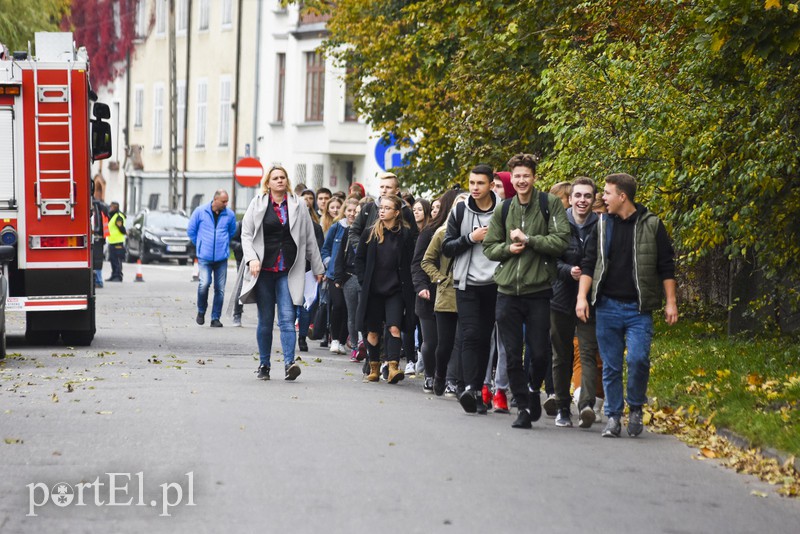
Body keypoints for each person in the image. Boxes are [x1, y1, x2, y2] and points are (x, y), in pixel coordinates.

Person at [576, 173, 678, 438]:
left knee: (638, 359)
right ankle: (612, 416)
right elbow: (589, 264)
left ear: (622, 196)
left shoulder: (652, 225)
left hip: (638, 309)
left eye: (607, 193)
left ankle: (634, 407)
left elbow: (666, 266)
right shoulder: (601, 226)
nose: (602, 198)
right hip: (607, 306)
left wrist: (671, 303)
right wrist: (581, 298)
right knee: (610, 366)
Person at [483, 153, 570, 429]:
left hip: (538, 290)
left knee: (540, 352)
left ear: (534, 177)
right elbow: (489, 247)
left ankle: (533, 389)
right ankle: (522, 406)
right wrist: (508, 249)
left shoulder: (550, 204)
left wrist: (529, 240)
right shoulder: (504, 208)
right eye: (517, 176)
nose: (521, 180)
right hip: (507, 290)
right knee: (511, 351)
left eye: (526, 175)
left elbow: (560, 242)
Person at [238, 165, 324, 381]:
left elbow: (309, 238)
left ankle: (289, 363)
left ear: (287, 180)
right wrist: (251, 259)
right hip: (264, 271)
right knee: (265, 320)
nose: (279, 181)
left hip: (288, 269)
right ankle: (264, 365)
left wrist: (317, 267)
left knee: (287, 318)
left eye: (283, 177)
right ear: (268, 182)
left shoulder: (298, 205)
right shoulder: (257, 204)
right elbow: (246, 234)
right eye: (275, 178)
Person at [442, 164, 501, 414]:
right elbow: (447, 247)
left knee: (485, 337)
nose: (475, 188)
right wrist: (471, 239)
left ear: (490, 185)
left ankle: (478, 389)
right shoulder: (459, 211)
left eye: (480, 183)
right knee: (470, 334)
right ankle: (468, 388)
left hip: (495, 283)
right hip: (466, 283)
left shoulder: (503, 210)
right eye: (472, 183)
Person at [549, 177, 600, 428]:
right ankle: (561, 407)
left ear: (593, 199)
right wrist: (568, 270)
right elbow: (549, 260)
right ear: (570, 199)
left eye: (587, 196)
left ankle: (586, 405)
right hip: (560, 296)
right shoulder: (558, 224)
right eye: (578, 196)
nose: (582, 200)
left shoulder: (601, 226)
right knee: (562, 354)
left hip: (590, 300)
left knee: (588, 352)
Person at [354, 194, 416, 384]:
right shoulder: (370, 232)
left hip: (395, 291)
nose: (382, 211)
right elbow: (360, 259)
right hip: (373, 291)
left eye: (387, 208)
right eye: (381, 208)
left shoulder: (405, 234)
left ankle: (393, 367)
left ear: (397, 212)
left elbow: (412, 260)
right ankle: (373, 367)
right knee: (372, 332)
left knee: (395, 328)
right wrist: (364, 280)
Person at [413, 189, 460, 393]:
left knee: (452, 341)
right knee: (431, 342)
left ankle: (450, 378)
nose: (434, 211)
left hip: (452, 293)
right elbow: (419, 263)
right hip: (428, 293)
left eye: (438, 208)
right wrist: (422, 286)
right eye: (433, 208)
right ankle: (430, 375)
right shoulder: (432, 232)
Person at [187, 189, 237, 327]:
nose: (226, 204)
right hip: (204, 256)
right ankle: (201, 311)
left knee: (220, 289)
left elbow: (232, 231)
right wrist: (201, 244)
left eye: (227, 201)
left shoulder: (230, 215)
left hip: (222, 258)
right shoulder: (200, 211)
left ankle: (215, 318)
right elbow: (191, 230)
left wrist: (224, 243)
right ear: (215, 200)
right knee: (204, 284)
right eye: (223, 201)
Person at [322, 196, 358, 355]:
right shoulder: (337, 227)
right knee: (337, 305)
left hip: (351, 275)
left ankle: (343, 340)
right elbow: (325, 249)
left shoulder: (360, 230)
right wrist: (329, 263)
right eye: (349, 210)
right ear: (345, 211)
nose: (352, 214)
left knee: (349, 309)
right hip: (333, 274)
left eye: (355, 211)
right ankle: (334, 339)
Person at [106, 201, 126, 282]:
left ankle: (118, 276)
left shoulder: (118, 216)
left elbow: (121, 228)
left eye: (111, 206)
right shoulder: (113, 216)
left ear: (115, 207)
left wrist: (125, 232)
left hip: (118, 242)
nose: (110, 208)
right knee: (113, 260)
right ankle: (113, 275)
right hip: (112, 241)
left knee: (117, 260)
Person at [229, 220, 245, 326]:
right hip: (242, 259)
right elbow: (231, 241)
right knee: (241, 287)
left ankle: (265, 316)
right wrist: (244, 247)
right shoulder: (239, 225)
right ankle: (237, 314)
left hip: (261, 259)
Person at [91, 199, 109, 288]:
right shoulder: (101, 210)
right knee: (97, 260)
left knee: (96, 261)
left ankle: (98, 281)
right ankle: (98, 280)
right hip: (99, 238)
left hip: (98, 238)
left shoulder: (98, 211)